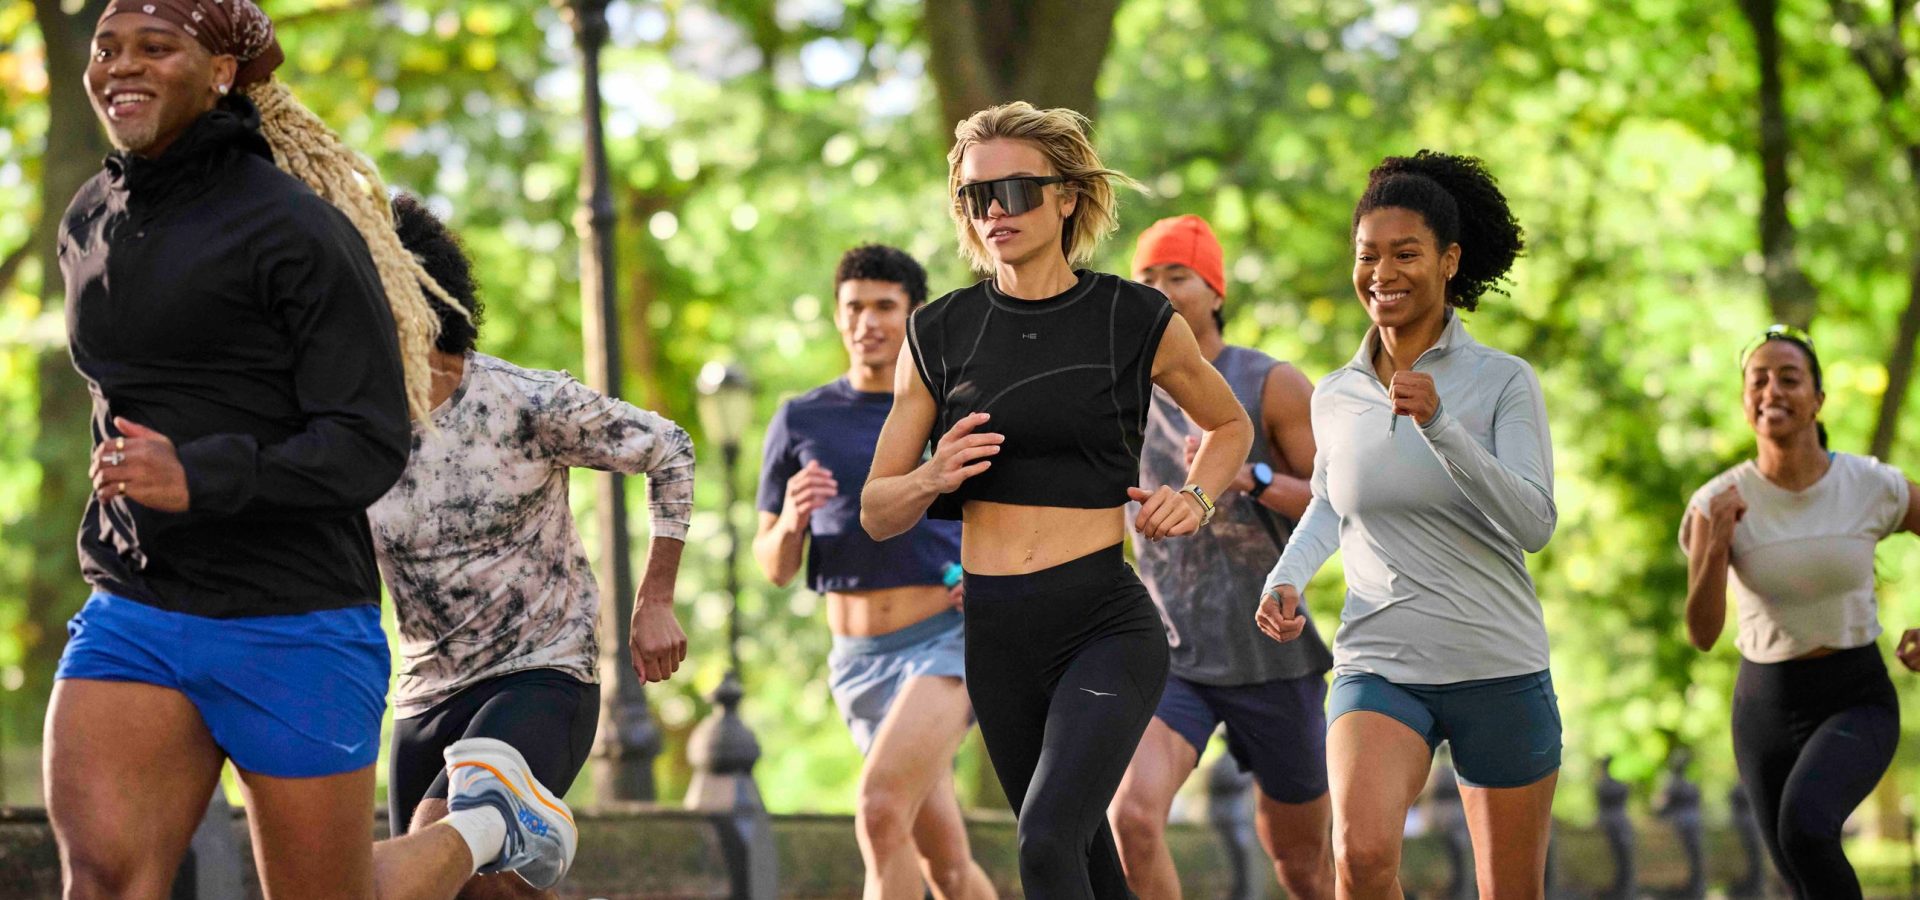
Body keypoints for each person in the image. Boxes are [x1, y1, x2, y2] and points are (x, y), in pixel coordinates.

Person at [49, 4, 573, 898]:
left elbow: (367, 443)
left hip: (289, 619)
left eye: (154, 47)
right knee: (103, 881)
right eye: (107, 48)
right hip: (140, 604)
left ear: (220, 71)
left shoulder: (298, 230)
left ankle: (486, 825)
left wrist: (198, 474)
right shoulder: (92, 215)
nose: (119, 67)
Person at [863, 102, 1254, 899]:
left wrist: (1197, 498)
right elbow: (877, 509)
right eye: (977, 196)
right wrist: (933, 478)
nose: (995, 212)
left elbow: (1228, 424)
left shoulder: (1132, 316)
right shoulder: (937, 331)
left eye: (1016, 190)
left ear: (1068, 196)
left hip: (1101, 620)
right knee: (1078, 857)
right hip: (996, 636)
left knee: (1045, 843)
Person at [371, 195, 695, 899]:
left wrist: (655, 599)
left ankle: (503, 814)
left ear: (416, 295)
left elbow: (670, 450)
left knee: (433, 866)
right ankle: (514, 829)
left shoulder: (522, 403)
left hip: (539, 673)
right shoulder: (355, 430)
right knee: (483, 893)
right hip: (425, 696)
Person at [1256, 150, 1557, 898]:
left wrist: (1443, 425)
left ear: (1450, 261)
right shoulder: (1337, 394)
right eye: (1368, 256)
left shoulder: (1502, 382)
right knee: (1359, 859)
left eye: (1405, 254)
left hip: (1497, 662)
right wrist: (1287, 577)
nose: (1381, 273)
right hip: (1380, 662)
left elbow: (1534, 521)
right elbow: (1330, 501)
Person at [754, 244, 997, 900]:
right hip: (856, 660)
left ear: (913, 315)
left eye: (885, 306)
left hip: (947, 642)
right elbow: (775, 567)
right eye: (855, 307)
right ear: (838, 317)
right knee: (943, 861)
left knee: (879, 808)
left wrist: (989, 572)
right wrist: (791, 521)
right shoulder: (801, 418)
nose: (868, 321)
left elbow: (1005, 517)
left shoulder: (952, 406)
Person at [1106, 215, 1334, 900]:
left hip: (1272, 655)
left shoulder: (1270, 383)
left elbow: (1345, 501)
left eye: (1177, 275)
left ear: (1214, 290)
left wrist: (1250, 477)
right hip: (1172, 654)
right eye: (1145, 278)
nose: (1160, 290)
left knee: (1303, 868)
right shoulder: (1118, 395)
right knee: (1131, 820)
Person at [1681, 324, 1920, 899]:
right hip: (1763, 709)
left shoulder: (1867, 484)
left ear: (1817, 399)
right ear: (1745, 403)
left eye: (1789, 379)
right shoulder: (1716, 501)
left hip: (1854, 696)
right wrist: (1715, 548)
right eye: (1758, 381)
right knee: (1799, 877)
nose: (1772, 391)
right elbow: (1703, 632)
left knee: (1806, 830)